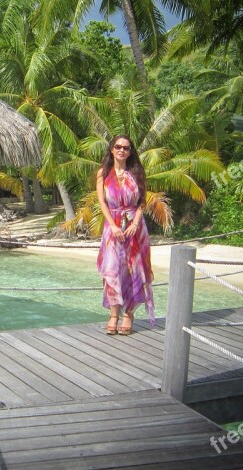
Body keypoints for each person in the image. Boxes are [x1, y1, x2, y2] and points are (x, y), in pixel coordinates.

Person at [96, 135, 154, 335]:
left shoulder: (136, 172)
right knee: (112, 269)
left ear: (131, 151)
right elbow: (103, 203)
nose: (122, 150)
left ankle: (128, 315)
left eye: (126, 148)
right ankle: (113, 314)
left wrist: (136, 223)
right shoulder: (103, 173)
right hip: (112, 227)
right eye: (118, 147)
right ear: (112, 149)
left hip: (134, 227)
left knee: (133, 270)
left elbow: (142, 202)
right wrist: (112, 225)